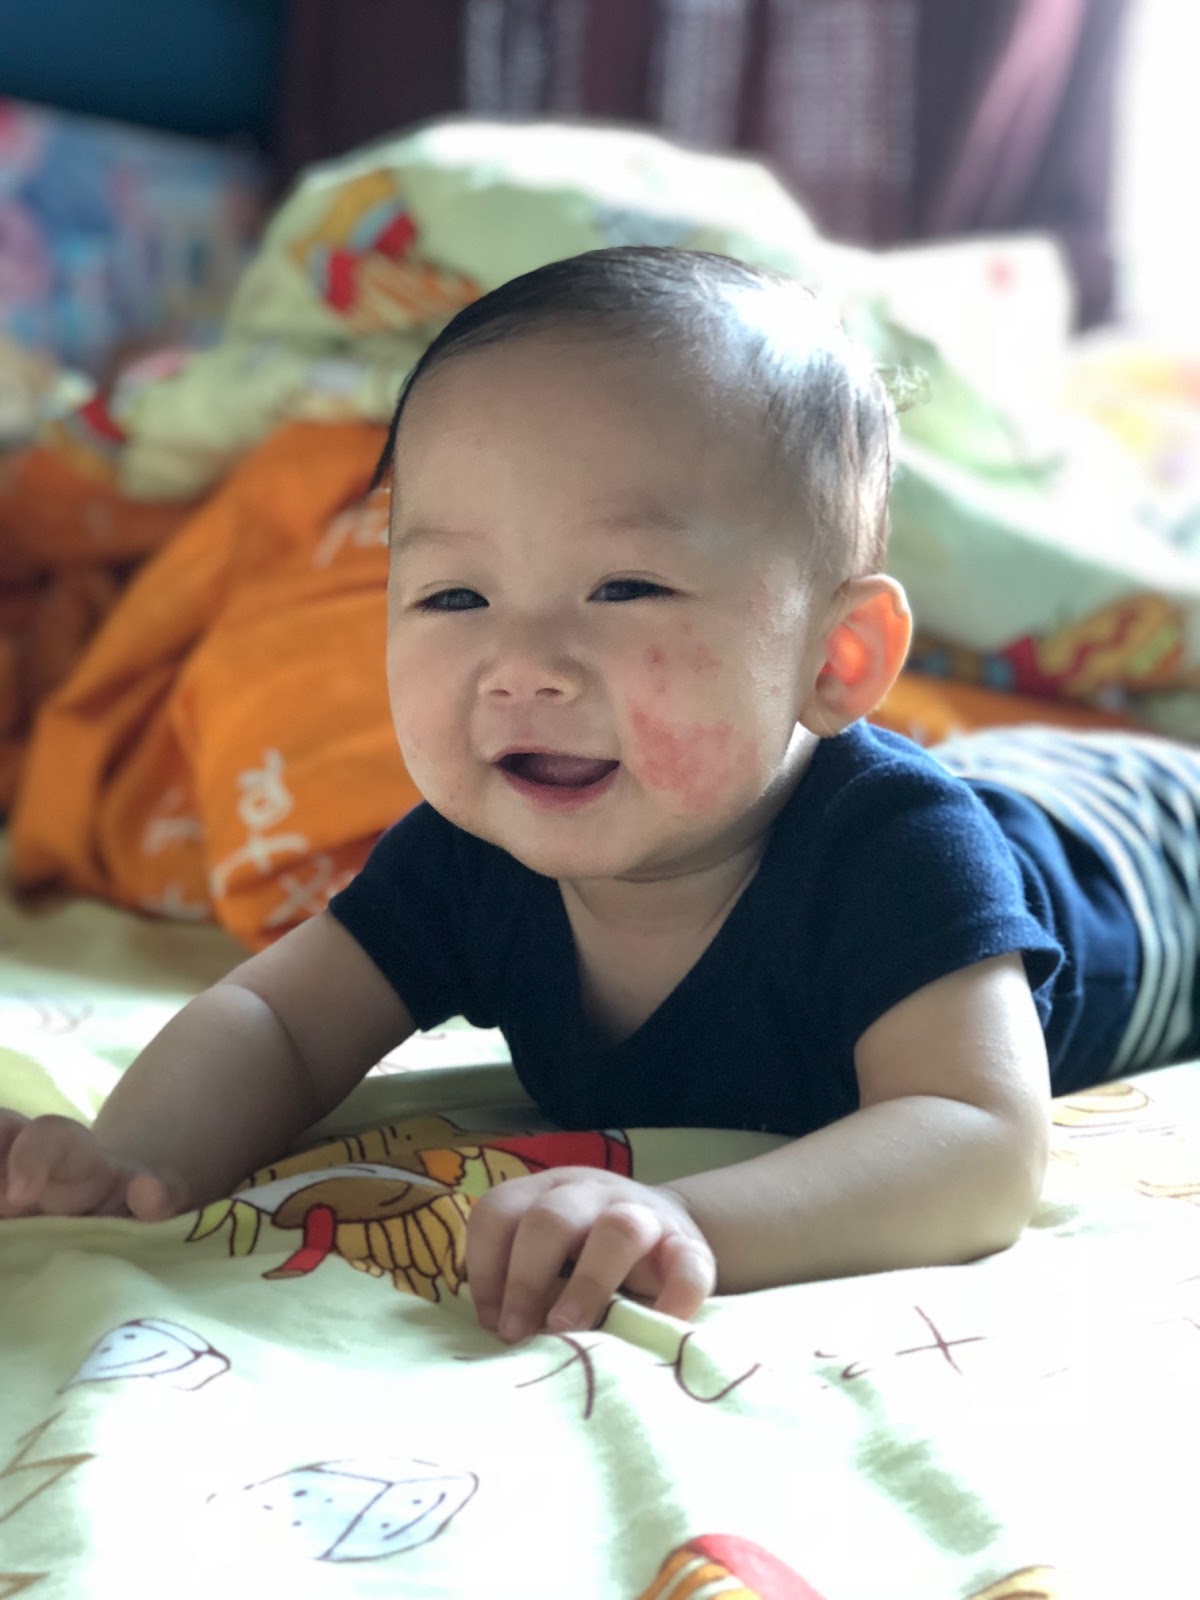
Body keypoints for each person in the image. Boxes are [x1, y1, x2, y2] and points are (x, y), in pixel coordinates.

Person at [2, 247, 1196, 1347]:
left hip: (1147, 839)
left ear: (835, 659)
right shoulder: (471, 854)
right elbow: (278, 1020)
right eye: (455, 597)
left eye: (624, 587)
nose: (521, 665)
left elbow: (979, 1144)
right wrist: (132, 1159)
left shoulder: (899, 851)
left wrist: (689, 1219)